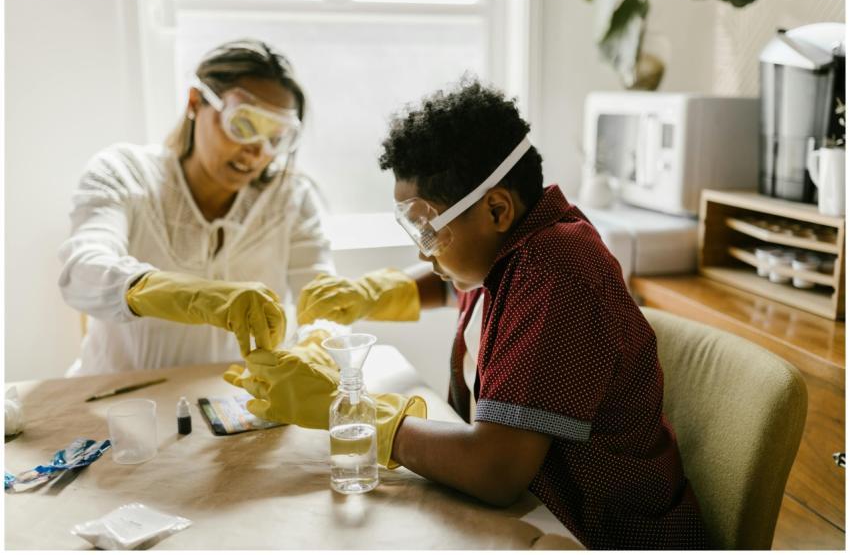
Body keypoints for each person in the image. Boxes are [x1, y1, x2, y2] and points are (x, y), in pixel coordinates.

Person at [226, 78, 709, 549]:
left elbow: (494, 470)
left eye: (426, 227)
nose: (424, 253)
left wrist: (352, 416)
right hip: (543, 512)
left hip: (604, 534)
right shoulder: (520, 247)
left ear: (496, 210)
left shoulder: (555, 270)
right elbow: (461, 286)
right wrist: (371, 291)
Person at [58, 39, 333, 376]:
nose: (256, 152)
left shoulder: (291, 198)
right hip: (115, 399)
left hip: (234, 407)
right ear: (195, 102)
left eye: (276, 139)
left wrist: (317, 347)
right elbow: (82, 273)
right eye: (243, 125)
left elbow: (321, 302)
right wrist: (195, 296)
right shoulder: (124, 172)